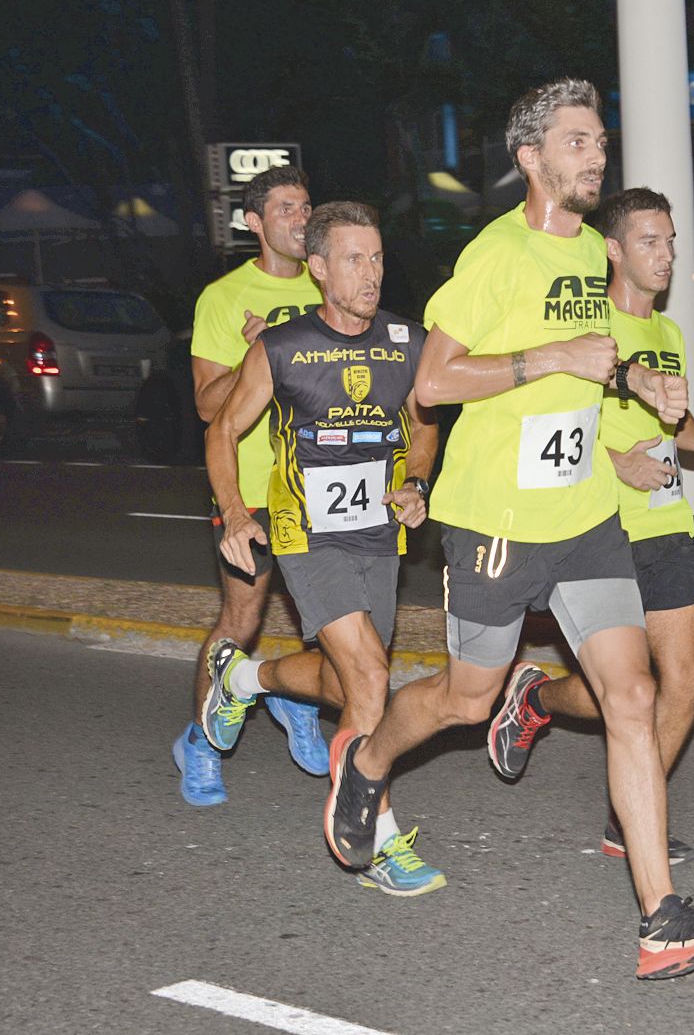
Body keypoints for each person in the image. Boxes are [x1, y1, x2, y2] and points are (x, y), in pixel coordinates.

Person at [321, 79, 694, 980]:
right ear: (531, 159)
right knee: (465, 700)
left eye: (600, 141)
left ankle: (660, 919)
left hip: (584, 513)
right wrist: (550, 357)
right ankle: (366, 763)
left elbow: (594, 357)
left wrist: (634, 382)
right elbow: (432, 383)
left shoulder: (594, 254)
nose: (594, 155)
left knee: (632, 698)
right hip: (496, 521)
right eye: (575, 142)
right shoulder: (498, 254)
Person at [203, 200, 442, 896]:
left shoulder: (407, 339)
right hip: (305, 533)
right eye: (352, 259)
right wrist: (232, 514)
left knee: (345, 686)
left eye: (376, 258)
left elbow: (422, 425)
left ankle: (241, 679)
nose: (370, 273)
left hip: (379, 532)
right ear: (317, 268)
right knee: (370, 680)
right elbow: (221, 431)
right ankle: (377, 840)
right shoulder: (281, 347)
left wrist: (417, 480)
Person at [510, 188, 694, 865]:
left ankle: (628, 817)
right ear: (613, 249)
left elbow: (671, 426)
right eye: (648, 241)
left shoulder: (666, 335)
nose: (664, 255)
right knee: (626, 687)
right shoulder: (588, 329)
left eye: (669, 241)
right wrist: (615, 465)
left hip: (663, 523)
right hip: (598, 526)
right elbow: (544, 427)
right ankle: (538, 698)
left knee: (686, 679)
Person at [173, 164, 332, 807]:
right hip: (253, 489)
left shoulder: (332, 288)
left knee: (330, 622)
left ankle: (290, 693)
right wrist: (256, 354)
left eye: (307, 206)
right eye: (287, 208)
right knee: (240, 619)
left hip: (320, 484)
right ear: (254, 223)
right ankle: (201, 746)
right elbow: (210, 408)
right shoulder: (223, 298)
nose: (301, 218)